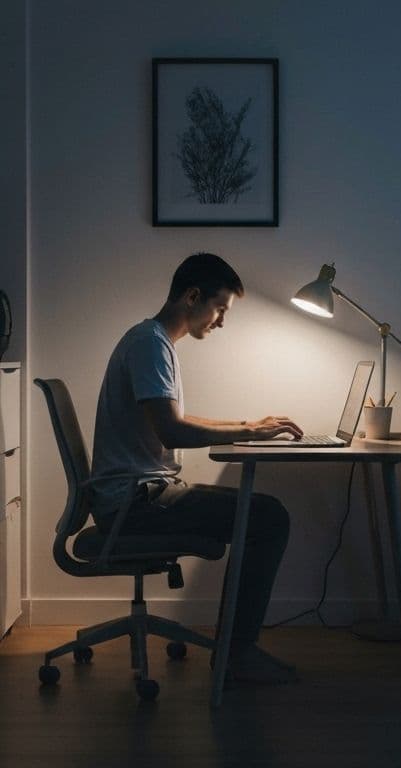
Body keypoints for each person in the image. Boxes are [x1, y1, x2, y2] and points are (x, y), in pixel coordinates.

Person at [90, 252, 305, 685]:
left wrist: (249, 425)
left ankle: (235, 651)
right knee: (268, 516)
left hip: (138, 495)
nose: (222, 320)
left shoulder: (153, 341)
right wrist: (250, 433)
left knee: (261, 512)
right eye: (220, 308)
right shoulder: (151, 344)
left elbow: (176, 420)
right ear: (192, 297)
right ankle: (237, 656)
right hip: (135, 504)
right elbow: (172, 431)